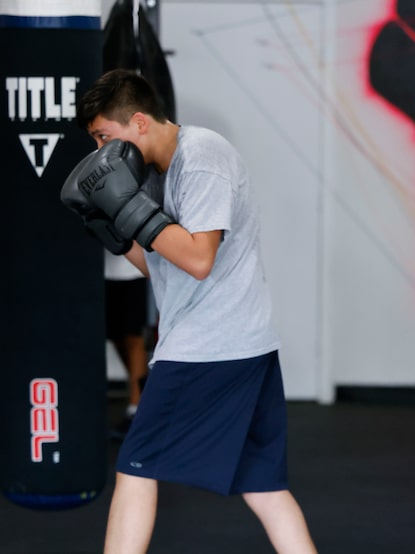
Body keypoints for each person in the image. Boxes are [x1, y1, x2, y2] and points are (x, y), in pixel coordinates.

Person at [62, 69, 316, 553]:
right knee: (264, 486)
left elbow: (198, 259)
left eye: (103, 137)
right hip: (241, 344)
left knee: (135, 468)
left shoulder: (202, 157)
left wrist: (130, 208)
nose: (99, 153)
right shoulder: (148, 177)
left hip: (208, 346)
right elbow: (162, 266)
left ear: (138, 121)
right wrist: (112, 230)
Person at [104, 249, 150, 440]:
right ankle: (143, 389)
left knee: (133, 336)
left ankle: (136, 408)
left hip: (133, 269)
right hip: (102, 269)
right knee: (115, 336)